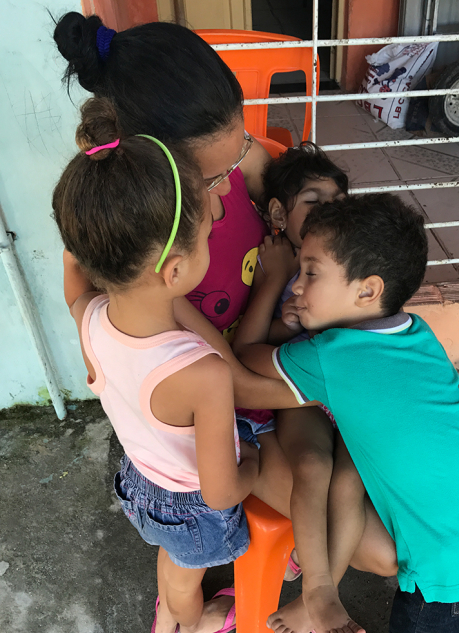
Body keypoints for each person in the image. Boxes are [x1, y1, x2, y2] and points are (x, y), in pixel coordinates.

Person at [235, 193, 459, 633]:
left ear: (367, 290)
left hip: (445, 552)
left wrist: (271, 286)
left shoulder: (330, 356)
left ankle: (321, 593)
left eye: (310, 273)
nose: (298, 288)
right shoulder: (417, 331)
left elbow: (246, 353)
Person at [53, 11, 292, 514]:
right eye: (211, 178)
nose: (233, 181)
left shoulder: (226, 158)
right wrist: (327, 391)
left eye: (239, 148)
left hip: (262, 357)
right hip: (234, 399)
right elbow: (237, 386)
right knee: (333, 506)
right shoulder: (153, 273)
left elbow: (270, 179)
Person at [52, 97, 267, 633]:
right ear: (175, 269)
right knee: (186, 564)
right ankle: (189, 623)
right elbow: (221, 494)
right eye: (206, 232)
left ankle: (167, 617)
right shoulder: (202, 375)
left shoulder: (91, 320)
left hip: (141, 480)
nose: (219, 216)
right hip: (192, 504)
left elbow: (74, 281)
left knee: (174, 556)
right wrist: (258, 466)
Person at [233, 143, 399, 633]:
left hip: (344, 397)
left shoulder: (352, 266)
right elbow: (250, 349)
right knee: (313, 465)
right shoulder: (278, 264)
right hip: (297, 394)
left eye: (337, 199)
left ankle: (314, 591)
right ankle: (319, 587)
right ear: (281, 213)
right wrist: (280, 286)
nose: (329, 206)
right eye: (314, 198)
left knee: (353, 474)